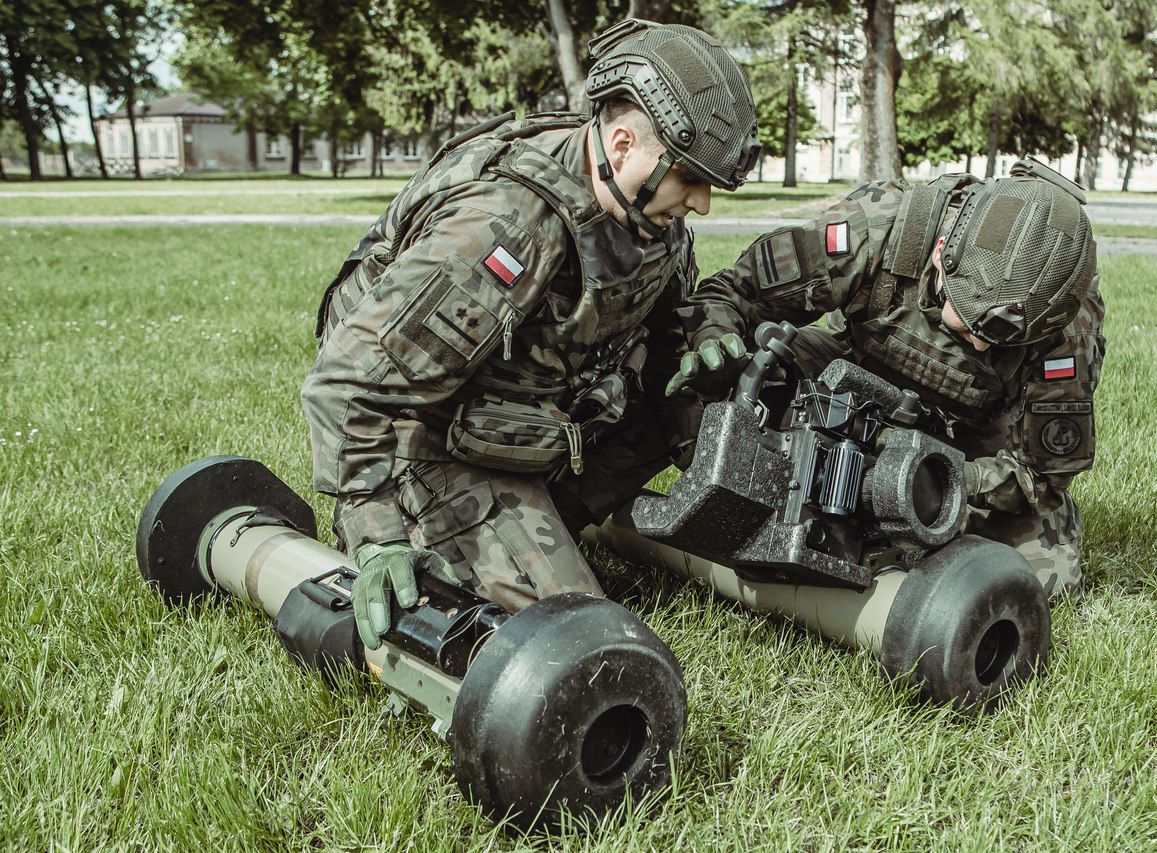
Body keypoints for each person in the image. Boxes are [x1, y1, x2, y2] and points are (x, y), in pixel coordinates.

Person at [300, 19, 761, 649]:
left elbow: (672, 323)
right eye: (692, 180)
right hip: (434, 433)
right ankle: (426, 523)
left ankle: (541, 514)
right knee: (581, 638)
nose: (702, 204)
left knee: (687, 409)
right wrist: (376, 531)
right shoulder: (508, 225)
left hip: (532, 416)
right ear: (623, 144)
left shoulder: (649, 217)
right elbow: (348, 383)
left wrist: (706, 340)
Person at [668, 159, 1105, 598]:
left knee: (1046, 574)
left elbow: (1040, 473)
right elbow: (734, 294)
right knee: (739, 371)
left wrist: (947, 483)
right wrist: (715, 339)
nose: (977, 345)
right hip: (850, 382)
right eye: (969, 324)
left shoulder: (1067, 326)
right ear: (940, 253)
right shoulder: (880, 227)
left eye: (997, 341)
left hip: (965, 439)